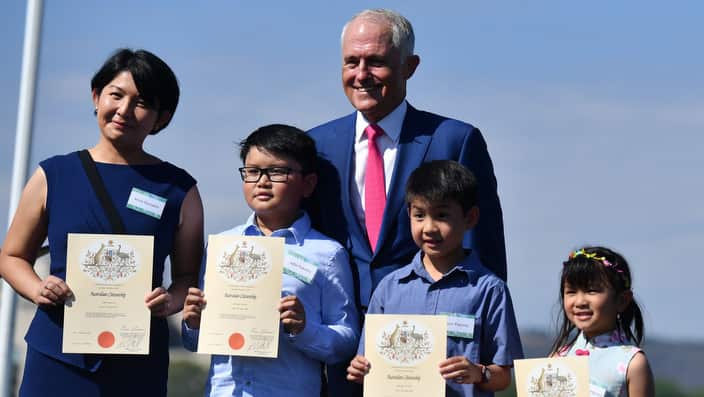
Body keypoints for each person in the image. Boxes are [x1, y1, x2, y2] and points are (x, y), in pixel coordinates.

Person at [307, 9, 507, 394]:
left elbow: (485, 251)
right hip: (345, 351)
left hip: (434, 352)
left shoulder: (455, 140)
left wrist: (482, 362)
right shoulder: (317, 146)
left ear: (410, 67)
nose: (361, 74)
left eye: (376, 61)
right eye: (352, 62)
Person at [0, 49, 204, 396]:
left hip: (137, 361)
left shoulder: (180, 189)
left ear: (161, 117)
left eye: (141, 102)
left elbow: (187, 277)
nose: (124, 110)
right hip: (56, 354)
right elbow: (12, 256)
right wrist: (38, 289)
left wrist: (171, 301)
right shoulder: (53, 174)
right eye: (116, 94)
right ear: (96, 96)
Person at [181, 124, 359, 397]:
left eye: (276, 171)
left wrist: (304, 329)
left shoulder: (327, 253)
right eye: (252, 172)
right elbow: (195, 342)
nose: (262, 181)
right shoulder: (222, 246)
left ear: (308, 183)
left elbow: (347, 340)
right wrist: (193, 323)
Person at [346, 160, 523, 397]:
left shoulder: (489, 289)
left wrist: (479, 373)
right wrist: (360, 368)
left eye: (442, 215)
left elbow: (503, 375)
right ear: (408, 214)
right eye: (419, 215)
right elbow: (368, 360)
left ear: (470, 218)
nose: (429, 227)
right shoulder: (389, 287)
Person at [550, 247, 655, 396]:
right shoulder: (557, 359)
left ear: (622, 300)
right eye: (571, 292)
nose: (580, 301)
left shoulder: (633, 363)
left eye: (592, 290)